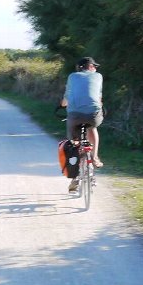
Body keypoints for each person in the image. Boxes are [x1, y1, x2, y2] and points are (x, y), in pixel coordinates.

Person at [60, 57, 103, 191]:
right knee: (92, 128)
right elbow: (99, 98)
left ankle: (75, 176)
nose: (95, 68)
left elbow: (65, 101)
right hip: (93, 114)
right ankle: (95, 158)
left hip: (75, 115)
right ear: (89, 66)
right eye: (94, 66)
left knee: (74, 142)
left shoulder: (72, 77)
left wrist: (62, 104)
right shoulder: (98, 77)